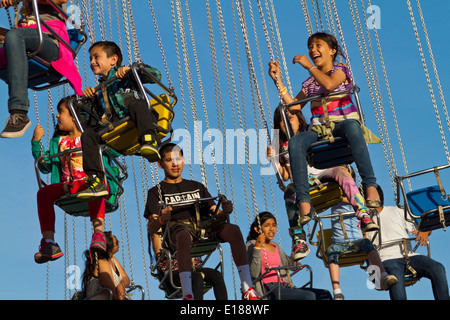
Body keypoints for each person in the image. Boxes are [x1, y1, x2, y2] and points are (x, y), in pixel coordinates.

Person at [267, 32, 382, 227]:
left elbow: (329, 84)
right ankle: (304, 201)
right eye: (310, 47)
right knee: (295, 142)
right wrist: (277, 81)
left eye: (318, 45)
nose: (313, 50)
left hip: (342, 126)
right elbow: (294, 107)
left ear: (332, 50)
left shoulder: (341, 70)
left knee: (354, 127)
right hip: (318, 130)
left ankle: (369, 185)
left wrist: (309, 66)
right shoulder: (309, 83)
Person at [145, 142, 259, 300]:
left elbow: (215, 213)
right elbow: (152, 227)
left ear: (183, 160)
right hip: (179, 227)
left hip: (204, 225)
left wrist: (225, 210)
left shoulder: (197, 186)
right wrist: (162, 220)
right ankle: (188, 293)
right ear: (160, 164)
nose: (175, 164)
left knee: (234, 230)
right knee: (183, 236)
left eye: (178, 159)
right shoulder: (155, 192)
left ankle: (247, 288)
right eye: (169, 160)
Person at [267, 105, 378, 261]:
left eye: (290, 119)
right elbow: (285, 176)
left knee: (342, 173)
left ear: (299, 119)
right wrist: (273, 160)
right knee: (289, 192)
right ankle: (298, 238)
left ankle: (363, 212)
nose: (286, 124)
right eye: (281, 122)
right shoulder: (282, 146)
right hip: (304, 184)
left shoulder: (310, 134)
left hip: (324, 171)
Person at [31, 97, 120, 263]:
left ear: (74, 116)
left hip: (92, 183)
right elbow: (45, 166)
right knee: (43, 193)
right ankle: (49, 243)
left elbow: (115, 152)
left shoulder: (93, 137)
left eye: (61, 112)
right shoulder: (57, 141)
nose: (57, 116)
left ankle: (98, 233)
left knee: (93, 186)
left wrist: (105, 130)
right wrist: (36, 142)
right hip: (68, 186)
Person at [75, 41, 162, 201]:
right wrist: (87, 101)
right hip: (117, 124)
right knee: (88, 135)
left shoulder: (128, 74)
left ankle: (149, 140)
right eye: (90, 59)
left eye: (96, 57)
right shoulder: (100, 90)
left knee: (136, 104)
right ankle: (96, 180)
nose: (92, 62)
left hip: (140, 117)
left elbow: (156, 75)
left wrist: (133, 69)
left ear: (113, 60)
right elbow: (90, 120)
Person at [0, 0, 82, 138]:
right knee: (13, 37)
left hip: (49, 41)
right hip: (27, 38)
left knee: (14, 36)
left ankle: (19, 112)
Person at [369, 186, 449, 300]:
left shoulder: (397, 212)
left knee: (437, 268)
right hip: (384, 260)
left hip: (408, 256)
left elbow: (421, 227)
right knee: (395, 275)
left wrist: (425, 231)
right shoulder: (362, 220)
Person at [246, 211, 332, 300]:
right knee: (308, 297)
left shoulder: (275, 246)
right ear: (257, 229)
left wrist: (295, 242)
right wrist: (258, 247)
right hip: (269, 289)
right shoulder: (251, 245)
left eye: (274, 225)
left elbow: (293, 266)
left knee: (325, 294)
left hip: (286, 286)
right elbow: (254, 274)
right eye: (267, 225)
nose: (272, 229)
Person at [325, 202, 398, 300]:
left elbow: (363, 205)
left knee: (367, 243)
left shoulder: (357, 204)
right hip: (339, 243)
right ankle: (337, 292)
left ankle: (384, 276)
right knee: (331, 250)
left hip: (357, 240)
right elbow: (321, 207)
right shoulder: (333, 201)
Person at [149, 229, 228, 300]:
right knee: (196, 277)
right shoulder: (162, 236)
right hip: (173, 272)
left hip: (193, 269)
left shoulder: (190, 229)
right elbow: (155, 234)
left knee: (216, 275)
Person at [81, 232, 131, 300]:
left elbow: (126, 278)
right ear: (109, 246)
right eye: (116, 241)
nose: (118, 241)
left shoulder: (112, 258)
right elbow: (112, 293)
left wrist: (121, 285)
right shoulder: (102, 263)